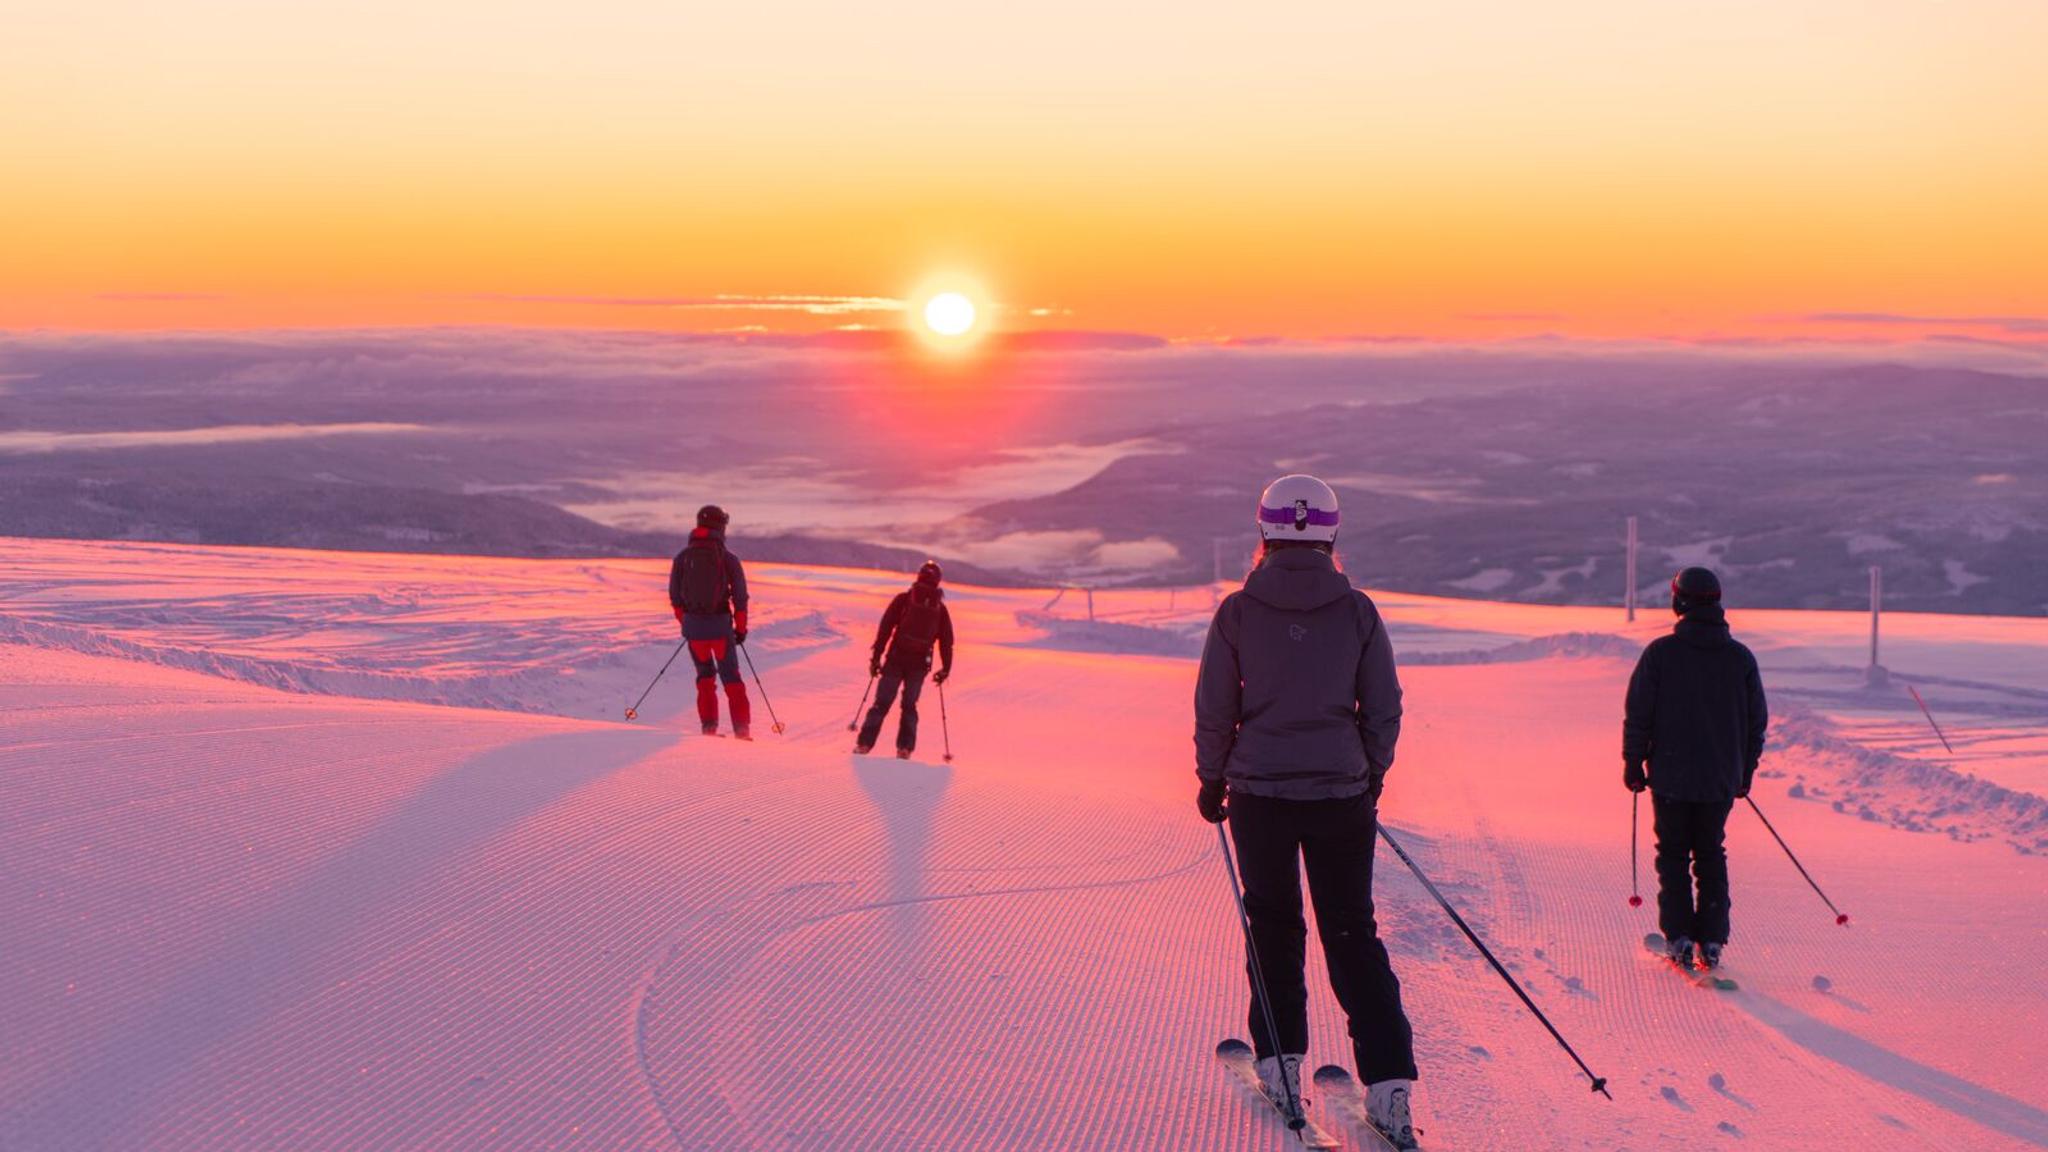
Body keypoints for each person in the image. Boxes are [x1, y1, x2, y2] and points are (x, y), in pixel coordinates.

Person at [1194, 474, 1418, 1151]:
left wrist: (1212, 780)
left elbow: (1214, 709)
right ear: (1330, 534)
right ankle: (1389, 1091)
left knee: (1274, 928)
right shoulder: (1357, 611)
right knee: (1352, 932)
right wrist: (1370, 773)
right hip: (1340, 795)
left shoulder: (1237, 611)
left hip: (1258, 795)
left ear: (1264, 532)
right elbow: (1383, 708)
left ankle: (1282, 1068)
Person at [1623, 566, 1769, 971]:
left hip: (1670, 776)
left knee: (1672, 855)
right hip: (1720, 779)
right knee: (1710, 854)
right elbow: (1756, 725)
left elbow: (1639, 715)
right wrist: (1744, 773)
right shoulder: (1740, 658)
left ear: (1678, 601)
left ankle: (1681, 937)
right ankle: (1713, 939)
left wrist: (1634, 763)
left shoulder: (1661, 654)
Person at [855, 560, 954, 758]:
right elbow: (946, 642)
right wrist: (945, 669)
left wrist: (876, 658)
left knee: (881, 703)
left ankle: (864, 745)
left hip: (896, 658)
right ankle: (905, 749)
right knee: (909, 705)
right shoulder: (940, 610)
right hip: (919, 664)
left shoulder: (903, 600)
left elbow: (885, 629)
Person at [668, 504, 751, 738]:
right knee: (731, 679)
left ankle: (709, 729)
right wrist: (740, 629)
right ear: (721, 526)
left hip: (695, 632)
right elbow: (740, 597)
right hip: (721, 629)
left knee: (705, 679)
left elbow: (675, 597)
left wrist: (688, 624)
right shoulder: (729, 559)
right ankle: (742, 731)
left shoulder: (682, 558)